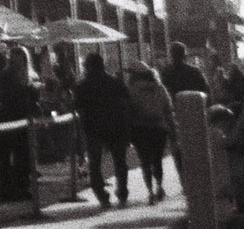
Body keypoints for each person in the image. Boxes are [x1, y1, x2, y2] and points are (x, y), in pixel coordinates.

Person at [74, 52, 132, 206]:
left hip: (94, 128)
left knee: (95, 163)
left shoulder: (84, 85)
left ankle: (101, 195)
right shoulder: (115, 82)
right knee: (120, 161)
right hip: (117, 127)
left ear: (89, 66)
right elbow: (127, 101)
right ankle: (122, 191)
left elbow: (77, 105)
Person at [0, 48, 41, 202]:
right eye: (14, 58)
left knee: (24, 154)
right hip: (7, 117)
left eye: (19, 58)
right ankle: (7, 188)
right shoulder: (5, 76)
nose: (16, 61)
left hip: (24, 118)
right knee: (6, 154)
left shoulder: (31, 75)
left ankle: (22, 186)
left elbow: (34, 97)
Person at [123, 62, 175, 204]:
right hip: (159, 127)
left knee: (145, 161)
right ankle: (159, 186)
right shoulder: (159, 87)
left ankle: (150, 191)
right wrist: (172, 129)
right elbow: (168, 108)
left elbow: (128, 110)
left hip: (140, 128)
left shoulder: (131, 89)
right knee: (157, 159)